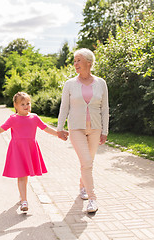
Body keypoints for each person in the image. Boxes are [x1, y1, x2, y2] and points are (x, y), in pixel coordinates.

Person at [0, 92, 68, 212]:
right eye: (22, 104)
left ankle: (22, 197)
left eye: (28, 103)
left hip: (30, 149)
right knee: (22, 175)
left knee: (26, 175)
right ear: (16, 105)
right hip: (18, 150)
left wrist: (58, 134)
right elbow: (0, 129)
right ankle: (24, 201)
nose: (26, 106)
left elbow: (46, 128)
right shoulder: (13, 119)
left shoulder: (34, 117)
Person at [57, 48, 109, 213]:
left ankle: (83, 187)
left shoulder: (101, 83)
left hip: (95, 128)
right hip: (76, 128)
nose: (75, 63)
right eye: (74, 61)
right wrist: (60, 127)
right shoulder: (70, 84)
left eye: (78, 60)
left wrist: (104, 130)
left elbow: (105, 108)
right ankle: (92, 199)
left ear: (89, 62)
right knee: (86, 162)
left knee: (88, 163)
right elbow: (64, 107)